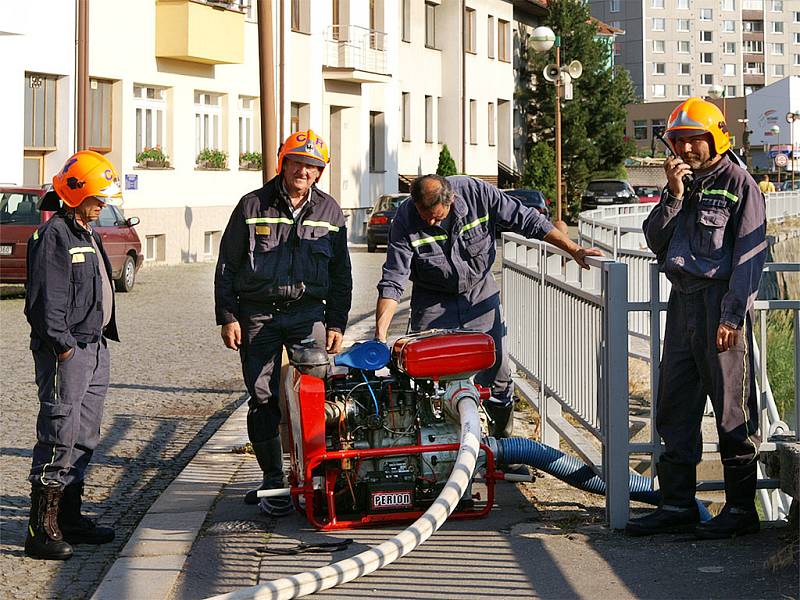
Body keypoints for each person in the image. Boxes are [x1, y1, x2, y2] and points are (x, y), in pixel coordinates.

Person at [628, 97, 767, 539]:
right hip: (682, 304)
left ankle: (741, 511)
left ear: (716, 138)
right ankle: (676, 505)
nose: (685, 150)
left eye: (694, 141)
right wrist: (672, 194)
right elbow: (656, 240)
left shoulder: (741, 185)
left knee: (731, 413)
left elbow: (748, 259)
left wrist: (731, 316)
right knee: (675, 408)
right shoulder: (683, 185)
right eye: (678, 142)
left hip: (718, 308)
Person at [374, 174, 602, 439]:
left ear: (452, 200)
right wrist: (380, 336)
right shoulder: (405, 218)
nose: (432, 223)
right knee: (424, 374)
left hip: (479, 295)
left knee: (498, 374)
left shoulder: (477, 193)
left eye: (437, 217)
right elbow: (393, 279)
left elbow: (528, 220)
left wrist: (573, 249)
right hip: (432, 301)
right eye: (426, 218)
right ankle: (435, 449)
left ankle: (502, 447)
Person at [215, 130, 352, 516]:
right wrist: (227, 317)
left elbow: (342, 274)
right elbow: (227, 266)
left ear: (320, 173)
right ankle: (274, 480)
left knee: (318, 393)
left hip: (308, 314)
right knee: (263, 398)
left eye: (312, 167)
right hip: (257, 314)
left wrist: (337, 321)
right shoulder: (251, 204)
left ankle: (321, 474)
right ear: (283, 163)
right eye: (298, 163)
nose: (304, 172)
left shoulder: (330, 211)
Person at [24, 151, 122, 560]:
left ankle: (69, 517)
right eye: (98, 197)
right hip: (67, 351)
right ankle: (40, 529)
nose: (103, 204)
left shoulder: (86, 230)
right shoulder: (55, 236)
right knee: (59, 434)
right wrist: (63, 347)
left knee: (84, 436)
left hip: (94, 346)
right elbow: (45, 305)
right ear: (75, 193)